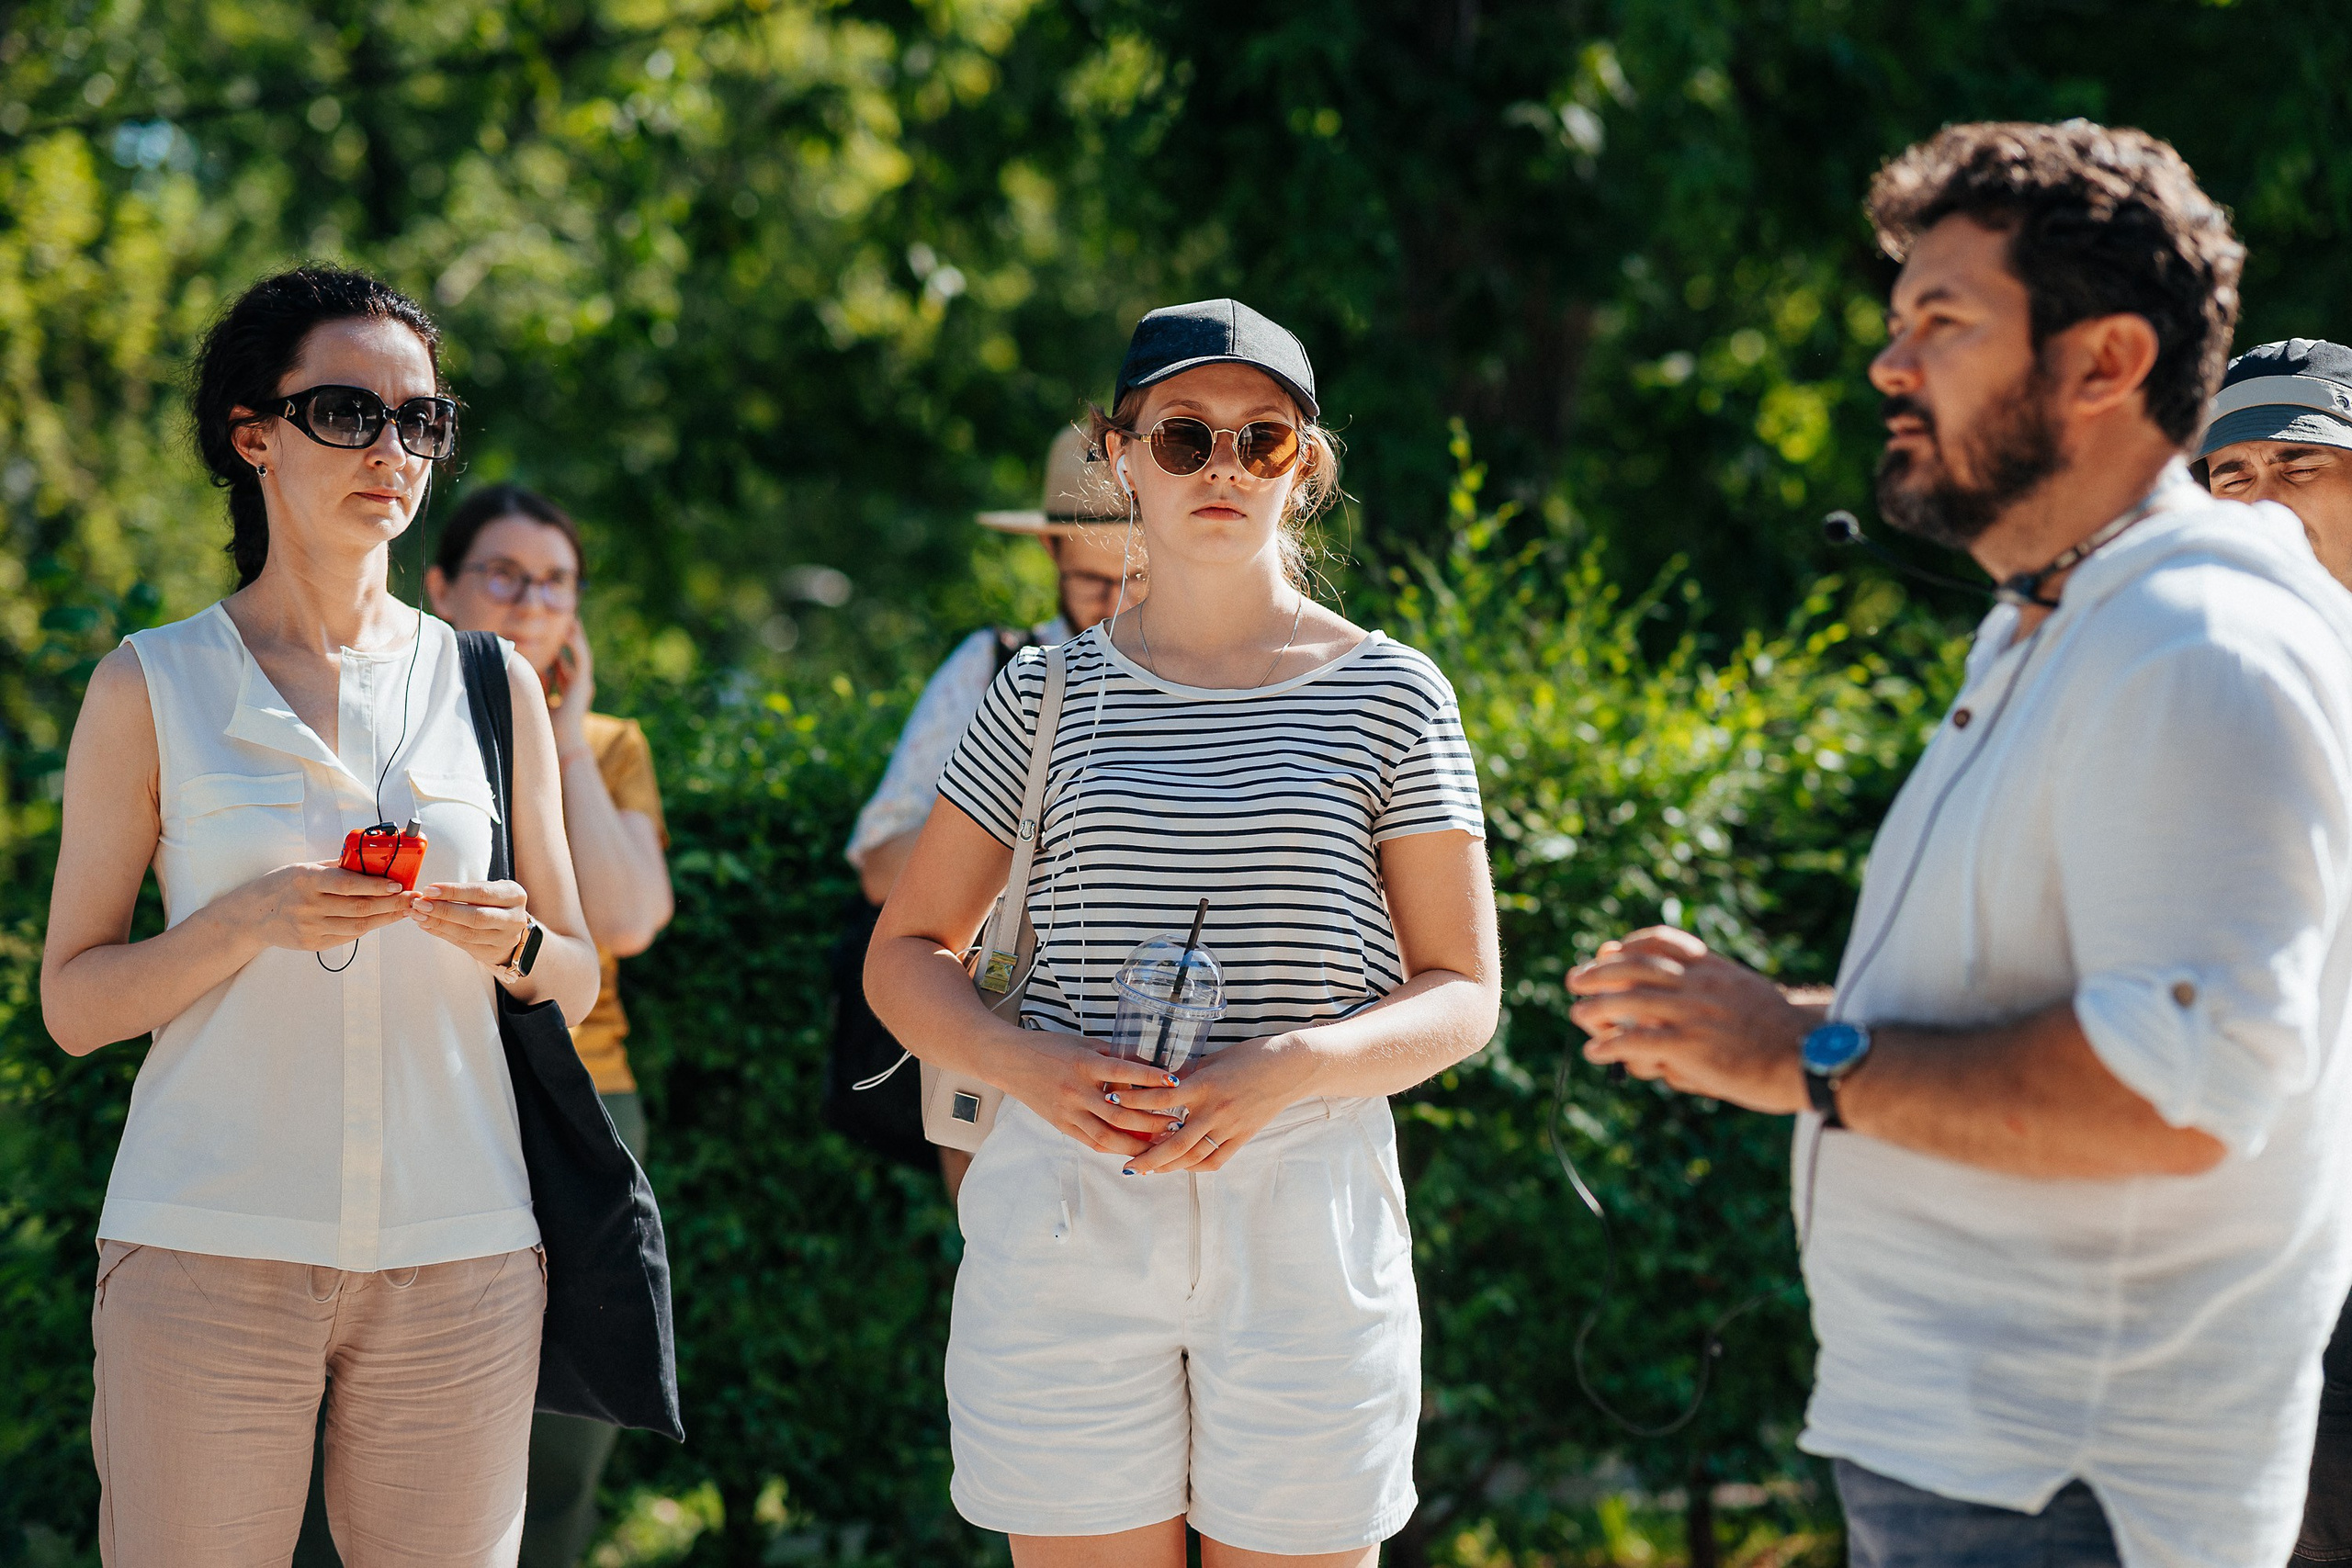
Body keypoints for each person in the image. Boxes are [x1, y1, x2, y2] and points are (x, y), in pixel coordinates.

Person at [1566, 122, 2352, 1567]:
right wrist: (1760, 1019)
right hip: (1982, 1465)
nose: (1889, 364)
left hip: (2069, 1485)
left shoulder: (2198, 638)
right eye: (1895, 320)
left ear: (2106, 362)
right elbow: (2077, 1015)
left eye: (1945, 320)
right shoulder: (2055, 617)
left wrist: (1798, 1058)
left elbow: (2183, 1086)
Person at [865, 299, 1500, 1565]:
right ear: (1120, 456)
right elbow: (908, 947)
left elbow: (1464, 988)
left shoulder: (1393, 692)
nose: (1222, 467)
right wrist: (1026, 1062)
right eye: (1183, 436)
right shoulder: (1040, 690)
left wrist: (1302, 1062)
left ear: (1306, 467)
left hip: (1308, 1216)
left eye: (1262, 440)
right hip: (1066, 1217)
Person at [40, 265, 599, 1564]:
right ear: (254, 434)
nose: (392, 449)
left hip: (465, 1252)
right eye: (347, 411)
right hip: (205, 1250)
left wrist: (507, 937)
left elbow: (572, 967)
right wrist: (247, 922)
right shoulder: (152, 680)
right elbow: (72, 1004)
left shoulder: (492, 678)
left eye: (421, 419)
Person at [288, 483, 678, 1568]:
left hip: (573, 1099)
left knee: (559, 1449)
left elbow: (632, 923)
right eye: (503, 575)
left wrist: (552, 730)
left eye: (554, 583)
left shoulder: (606, 740)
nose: (530, 600)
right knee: (350, 1434)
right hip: (407, 1093)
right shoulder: (364, 720)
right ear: (445, 586)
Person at [838, 424, 1145, 1194]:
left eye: (1135, 582)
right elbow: (880, 864)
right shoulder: (992, 668)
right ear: (1050, 556)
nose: (1112, 611)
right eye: (1091, 586)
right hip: (999, 1023)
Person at [2191, 341, 2352, 1567]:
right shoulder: (2182, 695)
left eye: (2302, 463)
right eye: (2230, 471)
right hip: (2253, 1256)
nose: (2262, 496)